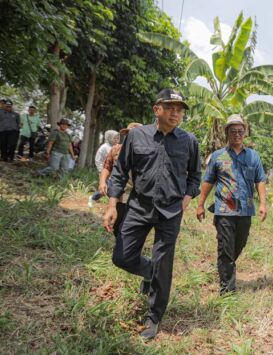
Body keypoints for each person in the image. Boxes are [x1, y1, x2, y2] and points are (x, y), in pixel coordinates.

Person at [102, 89, 201, 340]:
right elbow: (120, 172)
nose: (176, 112)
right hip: (138, 207)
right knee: (122, 257)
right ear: (157, 109)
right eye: (170, 107)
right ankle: (149, 271)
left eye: (180, 109)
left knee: (164, 264)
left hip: (170, 212)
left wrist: (187, 198)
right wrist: (113, 205)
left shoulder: (189, 141)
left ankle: (154, 317)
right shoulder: (137, 136)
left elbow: (195, 177)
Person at [196, 114, 268, 295]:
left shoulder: (253, 157)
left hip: (245, 210)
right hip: (224, 209)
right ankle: (227, 291)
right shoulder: (218, 156)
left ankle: (224, 267)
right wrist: (200, 204)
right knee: (226, 248)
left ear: (245, 133)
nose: (237, 134)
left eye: (240, 131)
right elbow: (208, 180)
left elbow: (260, 179)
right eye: (233, 131)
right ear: (227, 133)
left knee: (240, 244)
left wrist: (263, 204)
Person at [98, 123, 142, 199]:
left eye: (135, 134)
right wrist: (102, 182)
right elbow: (107, 167)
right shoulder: (116, 149)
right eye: (128, 134)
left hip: (141, 193)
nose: (131, 137)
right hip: (121, 191)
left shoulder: (148, 151)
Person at [88, 129, 119, 208]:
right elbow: (98, 160)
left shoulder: (117, 147)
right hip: (105, 172)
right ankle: (93, 198)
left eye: (117, 138)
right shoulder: (104, 147)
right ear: (109, 138)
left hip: (114, 172)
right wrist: (102, 171)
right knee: (106, 189)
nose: (116, 140)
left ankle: (113, 205)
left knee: (111, 188)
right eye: (114, 138)